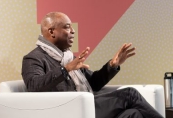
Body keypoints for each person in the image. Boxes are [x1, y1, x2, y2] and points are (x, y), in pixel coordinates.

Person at [22, 12, 163, 118]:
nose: (73, 31)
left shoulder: (68, 57)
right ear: (51, 31)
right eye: (67, 27)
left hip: (85, 105)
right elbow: (34, 85)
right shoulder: (34, 58)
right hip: (69, 110)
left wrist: (112, 65)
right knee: (130, 94)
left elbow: (94, 83)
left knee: (133, 114)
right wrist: (65, 69)